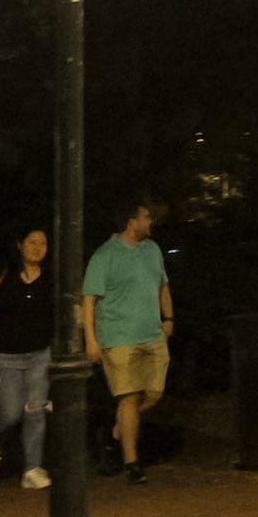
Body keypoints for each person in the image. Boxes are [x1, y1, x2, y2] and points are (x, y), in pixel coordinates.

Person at [78, 198, 170, 484]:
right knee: (128, 396)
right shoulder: (104, 256)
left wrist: (169, 319)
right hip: (118, 339)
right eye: (145, 217)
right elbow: (89, 300)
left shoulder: (152, 251)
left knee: (153, 392)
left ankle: (116, 431)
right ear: (131, 222)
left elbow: (163, 286)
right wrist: (91, 341)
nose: (150, 221)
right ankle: (132, 462)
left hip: (152, 335)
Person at [0, 228, 56, 490]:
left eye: (43, 243)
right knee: (9, 413)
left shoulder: (50, 280)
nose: (37, 247)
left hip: (39, 355)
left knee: (35, 411)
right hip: (4, 355)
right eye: (32, 242)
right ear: (20, 244)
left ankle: (32, 468)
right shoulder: (4, 276)